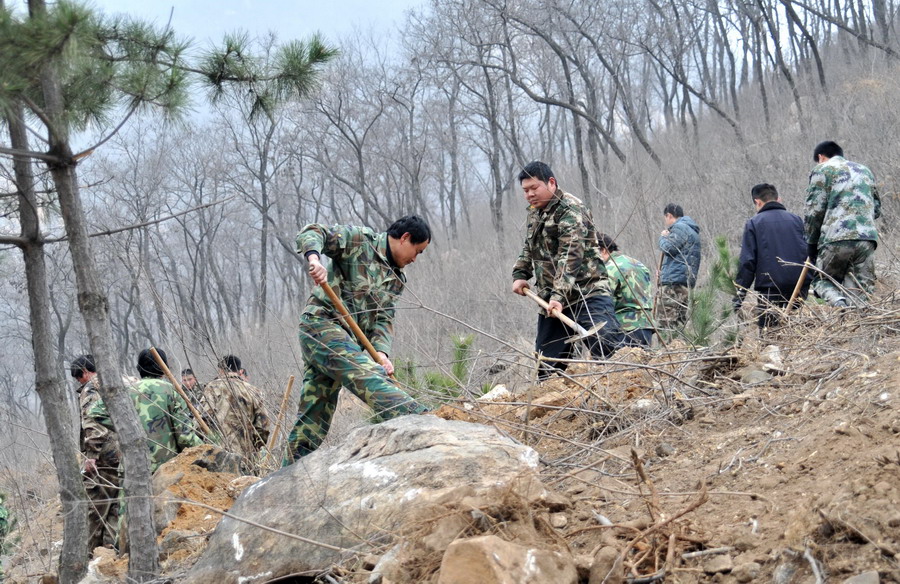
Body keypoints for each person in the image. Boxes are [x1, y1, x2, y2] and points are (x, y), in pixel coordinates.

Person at [284, 215, 432, 464]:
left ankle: (288, 475)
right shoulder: (360, 241)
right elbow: (313, 231)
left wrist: (382, 353)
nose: (415, 259)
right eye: (417, 251)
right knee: (370, 377)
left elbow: (384, 318)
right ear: (405, 238)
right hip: (321, 326)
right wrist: (314, 260)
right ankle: (421, 420)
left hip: (349, 341)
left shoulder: (397, 279)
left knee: (314, 415)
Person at [511, 161, 623, 379]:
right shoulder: (535, 214)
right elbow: (529, 246)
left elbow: (570, 254)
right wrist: (520, 274)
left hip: (587, 292)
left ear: (551, 183)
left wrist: (559, 295)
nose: (530, 195)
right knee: (547, 365)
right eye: (526, 191)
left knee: (607, 346)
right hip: (551, 299)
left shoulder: (571, 209)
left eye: (535, 188)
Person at [89, 348, 203, 472]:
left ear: (139, 368)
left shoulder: (127, 390)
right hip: (166, 468)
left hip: (133, 468)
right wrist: (206, 448)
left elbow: (95, 411)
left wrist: (127, 428)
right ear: (164, 368)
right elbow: (185, 437)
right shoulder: (171, 390)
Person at [805, 141, 881, 307]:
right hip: (867, 239)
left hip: (836, 238)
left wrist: (811, 245)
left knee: (822, 280)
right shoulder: (864, 170)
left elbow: (814, 212)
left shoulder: (822, 169)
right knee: (862, 291)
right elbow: (876, 209)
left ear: (820, 157)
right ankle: (859, 326)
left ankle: (840, 304)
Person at [733, 184, 811, 329]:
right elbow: (808, 251)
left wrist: (740, 294)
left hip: (770, 290)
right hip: (799, 286)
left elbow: (748, 262)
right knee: (797, 333)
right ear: (778, 199)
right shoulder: (796, 220)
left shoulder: (754, 223)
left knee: (770, 335)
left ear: (757, 202)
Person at [71, 354, 120, 551]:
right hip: (120, 453)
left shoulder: (91, 388)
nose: (79, 382)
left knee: (95, 507)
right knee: (115, 505)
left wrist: (91, 455)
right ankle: (109, 550)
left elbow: (93, 423)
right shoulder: (114, 381)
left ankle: (91, 553)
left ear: (84, 372)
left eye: (78, 378)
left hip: (103, 456)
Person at [200, 355, 269, 466]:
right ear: (239, 370)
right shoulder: (254, 391)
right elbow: (263, 428)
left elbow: (202, 420)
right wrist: (255, 448)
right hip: (246, 458)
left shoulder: (212, 387)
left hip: (218, 456)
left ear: (221, 370)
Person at [597, 234, 655, 347]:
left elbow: (604, 300)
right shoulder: (638, 264)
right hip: (646, 324)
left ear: (603, 250)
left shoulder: (609, 269)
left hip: (626, 327)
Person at [657, 203, 701, 333]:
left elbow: (669, 248)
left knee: (666, 322)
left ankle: (668, 352)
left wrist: (662, 237)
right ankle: (679, 351)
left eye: (665, 218)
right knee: (679, 323)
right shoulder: (691, 229)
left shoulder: (679, 227)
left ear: (669, 216)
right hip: (684, 282)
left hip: (674, 284)